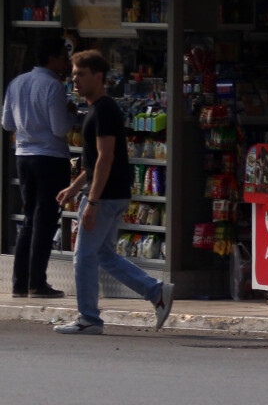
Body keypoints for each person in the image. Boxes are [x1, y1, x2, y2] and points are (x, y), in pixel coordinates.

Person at [53, 50, 173, 335]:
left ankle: (89, 319)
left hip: (105, 196)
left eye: (81, 75)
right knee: (104, 255)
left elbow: (106, 157)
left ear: (98, 77)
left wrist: (91, 201)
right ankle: (155, 291)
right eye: (73, 76)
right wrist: (76, 186)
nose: (76, 82)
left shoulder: (104, 109)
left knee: (83, 256)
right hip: (109, 193)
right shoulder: (98, 109)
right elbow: (96, 160)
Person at [2, 38, 74, 298]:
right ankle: (37, 282)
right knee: (45, 220)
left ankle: (20, 282)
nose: (66, 63)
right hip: (50, 157)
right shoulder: (53, 86)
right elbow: (59, 128)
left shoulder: (16, 82)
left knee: (29, 218)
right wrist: (72, 115)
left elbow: (7, 123)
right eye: (63, 57)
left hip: (24, 156)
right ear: (52, 58)